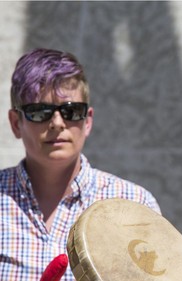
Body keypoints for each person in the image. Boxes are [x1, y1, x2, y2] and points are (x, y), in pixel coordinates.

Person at [0, 48, 161, 280]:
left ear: (87, 121)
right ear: (16, 123)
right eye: (39, 112)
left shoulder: (134, 203)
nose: (57, 123)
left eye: (71, 111)